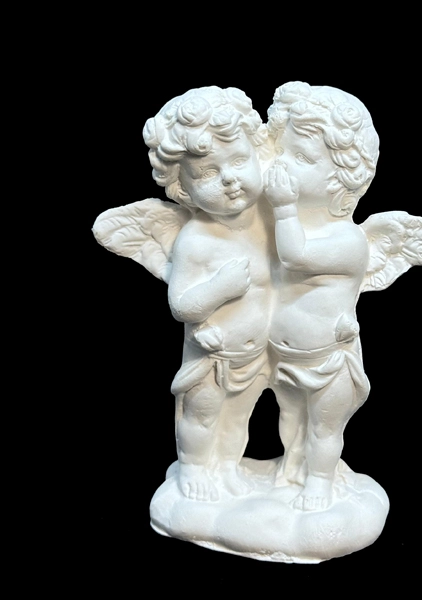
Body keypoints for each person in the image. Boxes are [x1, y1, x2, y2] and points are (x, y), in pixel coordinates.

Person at [142, 87, 274, 501]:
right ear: (182, 190)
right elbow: (181, 304)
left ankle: (227, 467)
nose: (230, 179)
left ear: (259, 157)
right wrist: (220, 289)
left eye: (239, 161)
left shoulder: (272, 222)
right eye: (207, 174)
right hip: (211, 355)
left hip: (256, 355)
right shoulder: (196, 240)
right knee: (202, 415)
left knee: (237, 419)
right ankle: (194, 468)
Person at [264, 82, 380, 511]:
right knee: (291, 421)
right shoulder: (283, 227)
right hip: (285, 356)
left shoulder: (348, 241)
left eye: (301, 158)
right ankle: (293, 467)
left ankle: (319, 482)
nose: (283, 165)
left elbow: (294, 258)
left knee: (323, 429)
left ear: (339, 178)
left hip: (329, 361)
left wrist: (282, 207)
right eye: (283, 153)